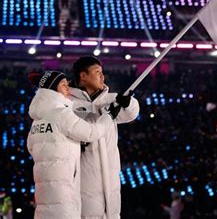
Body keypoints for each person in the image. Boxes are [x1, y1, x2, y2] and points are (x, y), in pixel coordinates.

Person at [26, 71, 118, 219]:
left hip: (44, 193)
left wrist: (69, 144)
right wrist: (109, 116)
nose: (68, 89)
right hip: (64, 191)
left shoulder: (37, 121)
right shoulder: (61, 113)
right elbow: (91, 132)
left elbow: (32, 147)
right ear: (52, 90)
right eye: (63, 85)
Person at [69, 56, 140, 219]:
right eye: (97, 72)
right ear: (83, 76)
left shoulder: (111, 99)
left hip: (110, 177)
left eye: (102, 72)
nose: (102, 76)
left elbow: (132, 113)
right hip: (84, 176)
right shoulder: (69, 103)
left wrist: (128, 103)